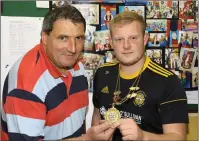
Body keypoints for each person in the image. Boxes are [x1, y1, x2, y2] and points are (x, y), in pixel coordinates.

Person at [1, 5, 115, 141]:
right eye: (63, 38)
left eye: (78, 38)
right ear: (44, 37)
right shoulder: (26, 85)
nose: (73, 49)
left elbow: (77, 123)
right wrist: (86, 140)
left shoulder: (78, 67)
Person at [92, 11, 188, 141]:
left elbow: (178, 138)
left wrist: (143, 137)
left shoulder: (168, 81)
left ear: (145, 39)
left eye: (133, 38)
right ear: (111, 42)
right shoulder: (102, 73)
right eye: (119, 39)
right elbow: (97, 116)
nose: (126, 46)